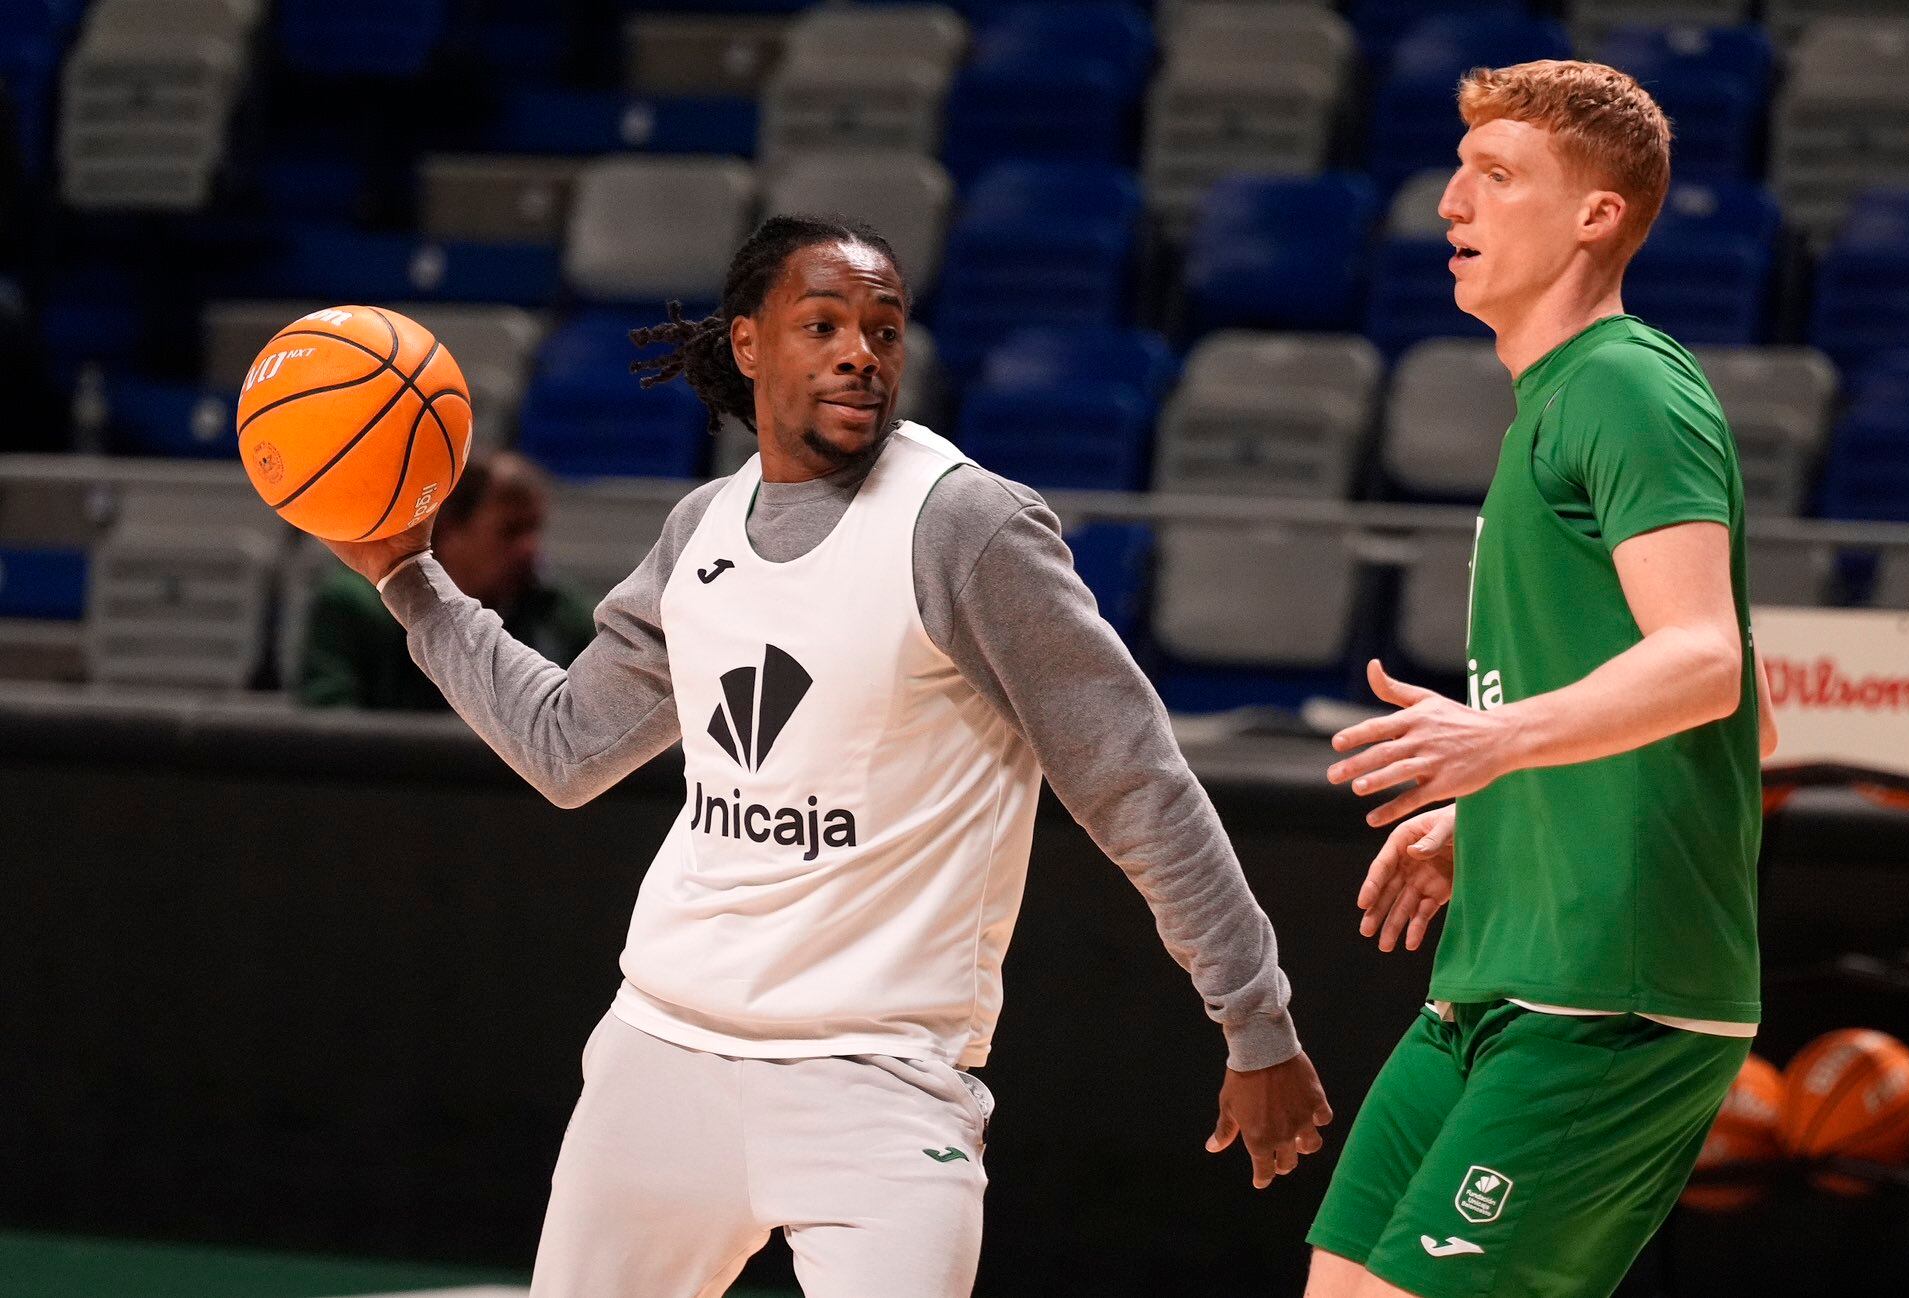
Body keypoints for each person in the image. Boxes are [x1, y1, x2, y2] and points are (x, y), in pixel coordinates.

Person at [318, 214, 1331, 1298]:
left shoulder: (965, 528)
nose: (862, 351)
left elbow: (1134, 782)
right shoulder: (701, 529)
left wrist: (1252, 1016)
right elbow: (568, 747)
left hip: (880, 1077)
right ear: (749, 344)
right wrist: (411, 581)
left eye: (885, 329)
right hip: (661, 1051)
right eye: (824, 324)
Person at [1304, 61, 1781, 1298]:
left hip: (1609, 990)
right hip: (1495, 975)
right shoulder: (1549, 406)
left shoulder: (1625, 385)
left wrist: (1499, 745)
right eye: (1459, 171)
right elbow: (1749, 716)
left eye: (1496, 176)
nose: (1452, 203)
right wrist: (1498, 806)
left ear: (1595, 216)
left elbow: (1705, 664)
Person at [297, 450, 593, 710]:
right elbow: (328, 737)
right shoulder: (354, 605)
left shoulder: (560, 616)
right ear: (450, 531)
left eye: (534, 530)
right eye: (511, 531)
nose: (530, 549)